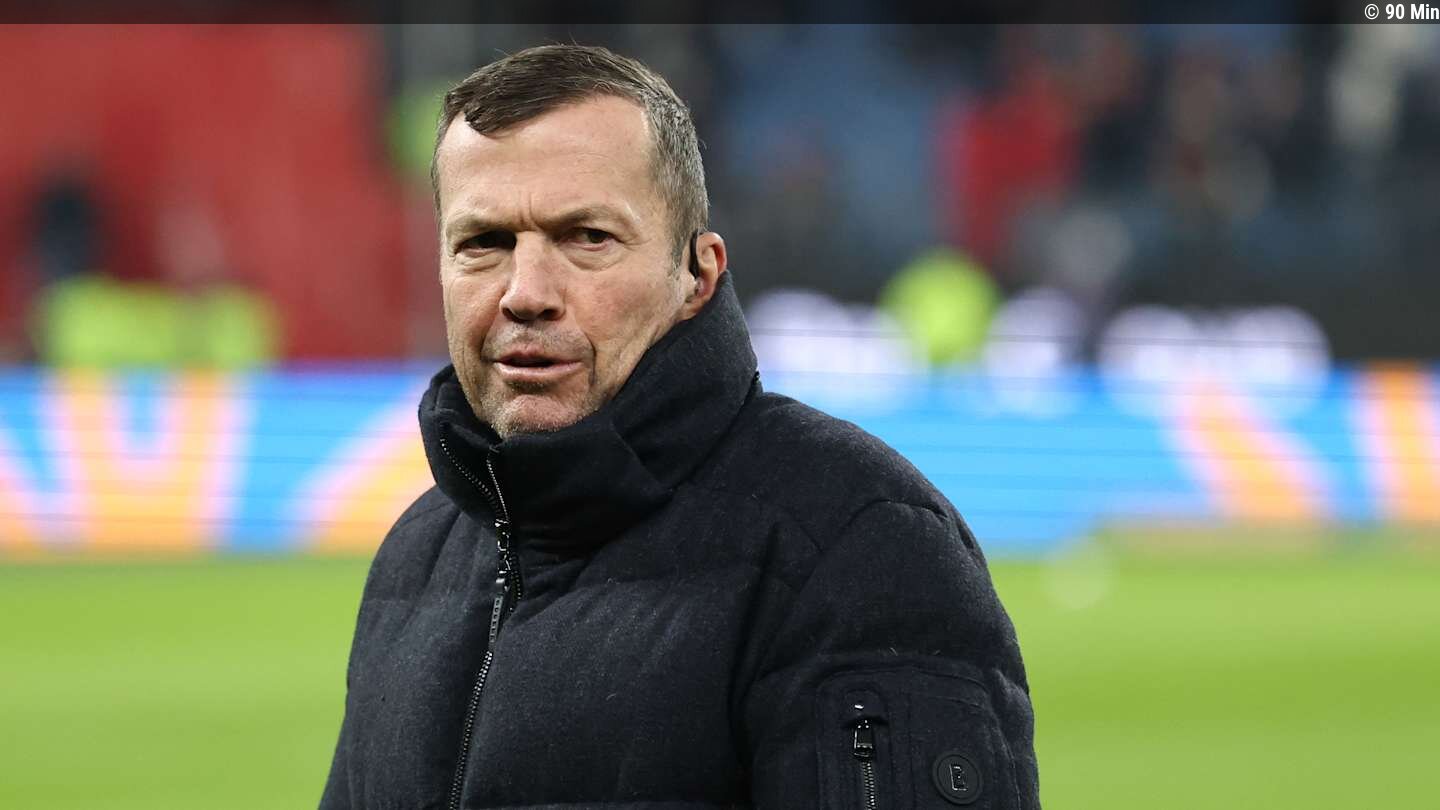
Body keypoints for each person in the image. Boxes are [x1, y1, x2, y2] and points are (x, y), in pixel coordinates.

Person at [320, 44, 1038, 810]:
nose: (525, 293)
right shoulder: (414, 560)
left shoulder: (861, 546)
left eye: (587, 238)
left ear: (699, 274)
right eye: (483, 244)